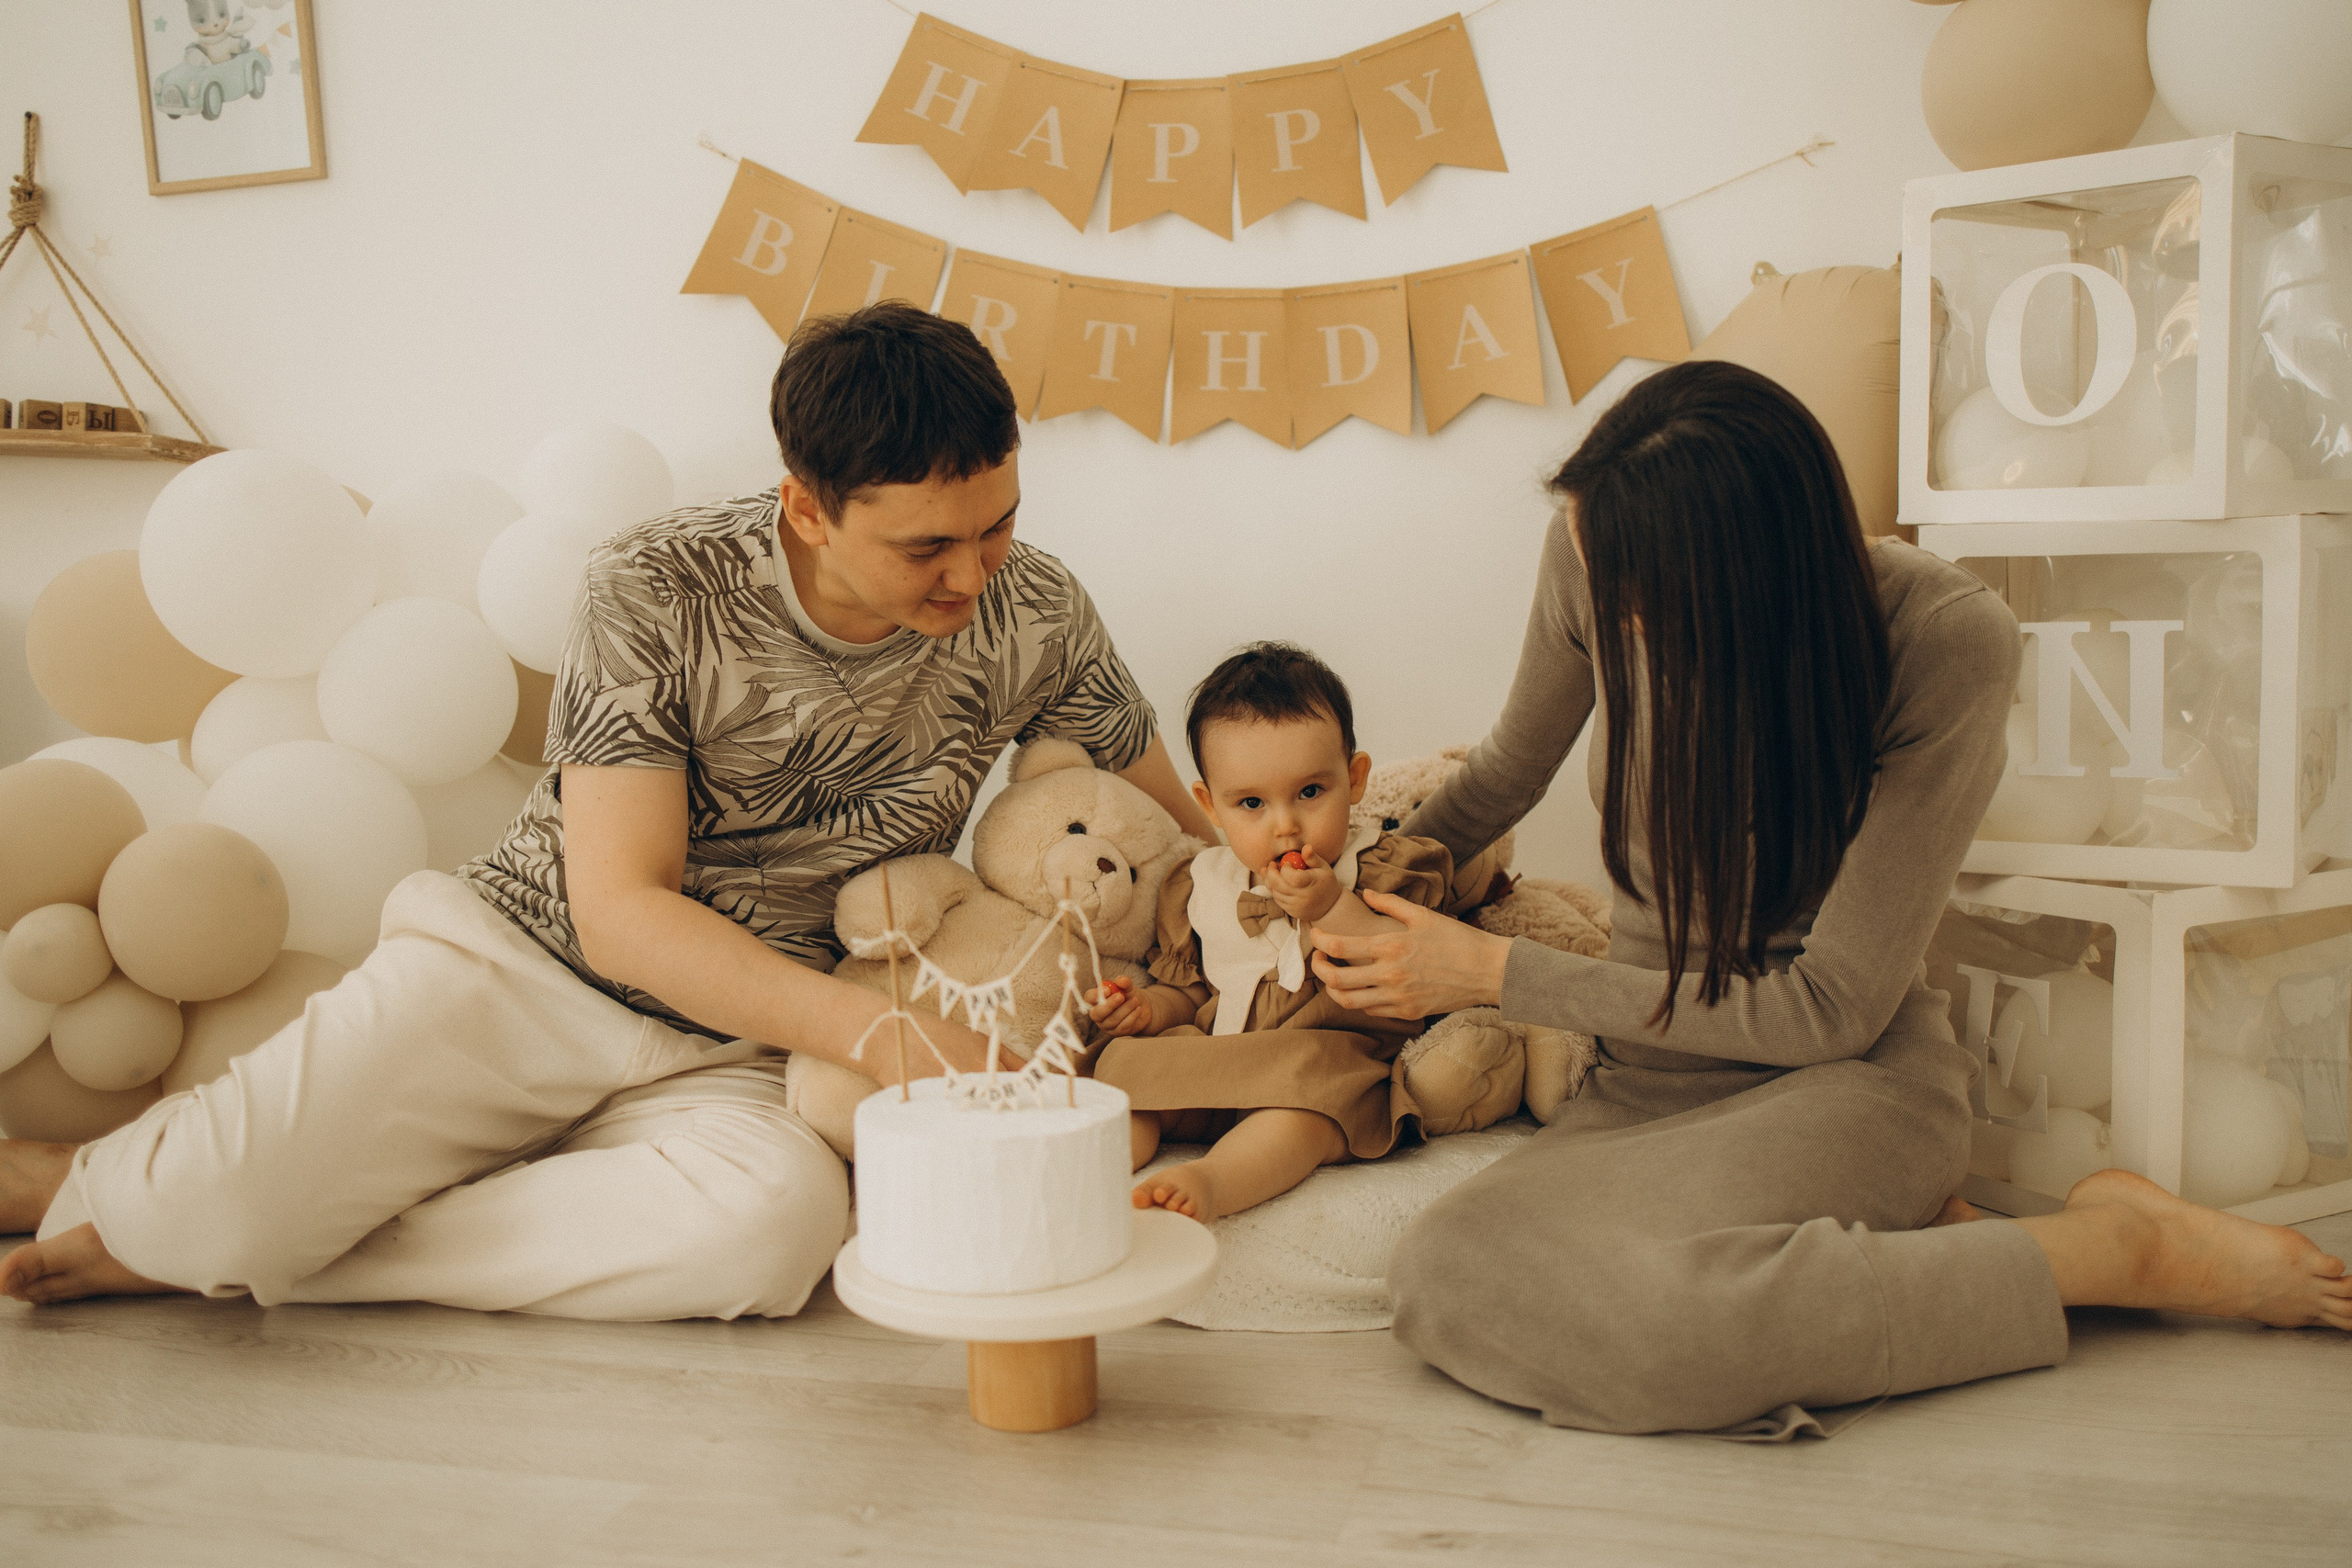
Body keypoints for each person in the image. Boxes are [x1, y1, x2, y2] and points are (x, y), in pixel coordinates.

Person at [0, 303, 1216, 1318]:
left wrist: (1276, 912)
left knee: (773, 1236)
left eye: (1000, 522)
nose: (973, 572)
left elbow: (1172, 834)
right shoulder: (657, 583)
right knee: (196, 1208)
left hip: (750, 1037)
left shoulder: (1035, 605)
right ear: (808, 508)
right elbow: (623, 912)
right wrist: (888, 1036)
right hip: (524, 967)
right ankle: (162, 1205)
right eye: (926, 546)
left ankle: (278, 1245)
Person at [1305, 359, 2352, 1438]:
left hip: (1844, 1079)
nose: (1598, 600)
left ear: (1743, 587)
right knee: (1442, 1271)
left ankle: (2111, 1255)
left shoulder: (1941, 637)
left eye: (1632, 603)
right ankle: (1923, 1252)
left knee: (1654, 1331)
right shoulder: (1600, 548)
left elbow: (1829, 1009)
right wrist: (1346, 881)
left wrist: (1494, 973)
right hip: (1647, 1080)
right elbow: (1503, 774)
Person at [1088, 643, 1448, 1222]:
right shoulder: (1199, 884)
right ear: (1211, 805)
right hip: (1221, 1059)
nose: (1285, 826)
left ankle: (1214, 1180)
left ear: (1354, 779)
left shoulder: (1383, 867)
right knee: (1128, 1069)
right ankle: (1091, 1173)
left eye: (1310, 792)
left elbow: (1403, 956)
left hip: (1321, 1060)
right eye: (1251, 803)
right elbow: (1193, 993)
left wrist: (1331, 906)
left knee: (1310, 1113)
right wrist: (1146, 1011)